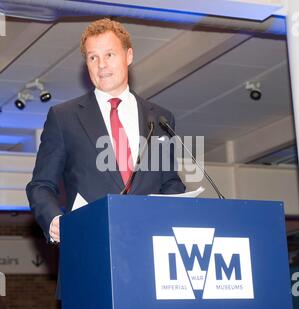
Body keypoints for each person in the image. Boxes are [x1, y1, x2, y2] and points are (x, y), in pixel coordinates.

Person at [26, 18, 185, 245]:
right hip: (90, 243)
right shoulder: (64, 117)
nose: (101, 64)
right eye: (93, 57)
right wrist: (54, 221)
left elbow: (170, 182)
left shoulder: (160, 118)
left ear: (129, 56)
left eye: (109, 54)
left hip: (152, 244)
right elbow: (40, 185)